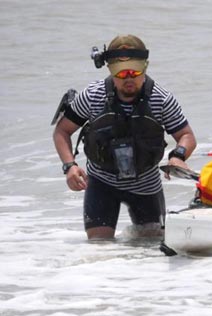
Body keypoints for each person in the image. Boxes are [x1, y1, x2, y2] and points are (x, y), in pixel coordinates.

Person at [53, 34, 197, 240]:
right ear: (111, 71)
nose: (128, 79)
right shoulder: (93, 95)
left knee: (151, 248)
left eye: (134, 72)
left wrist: (179, 155)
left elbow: (186, 135)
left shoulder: (161, 98)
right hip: (102, 183)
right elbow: (62, 130)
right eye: (121, 74)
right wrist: (70, 166)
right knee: (99, 247)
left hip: (146, 185)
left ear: (145, 68)